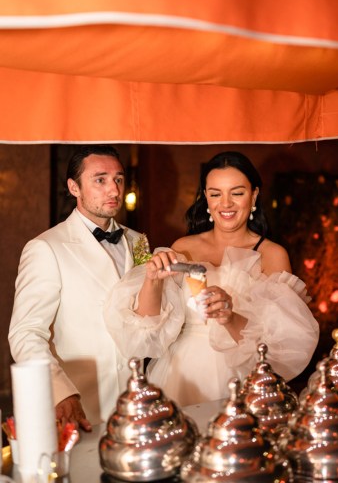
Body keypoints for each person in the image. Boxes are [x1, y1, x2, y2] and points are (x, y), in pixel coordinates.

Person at [104, 151, 319, 407]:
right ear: (206, 197)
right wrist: (153, 280)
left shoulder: (272, 254)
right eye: (216, 194)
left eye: (237, 193)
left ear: (254, 196)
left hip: (240, 378)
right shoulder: (183, 247)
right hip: (179, 374)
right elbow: (147, 328)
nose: (225, 204)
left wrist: (230, 317)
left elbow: (279, 345)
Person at [9, 145, 146, 429]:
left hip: (137, 404)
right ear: (74, 187)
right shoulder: (46, 247)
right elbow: (25, 333)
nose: (114, 190)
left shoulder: (138, 242)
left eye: (118, 179)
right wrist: (61, 391)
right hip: (81, 407)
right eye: (100, 179)